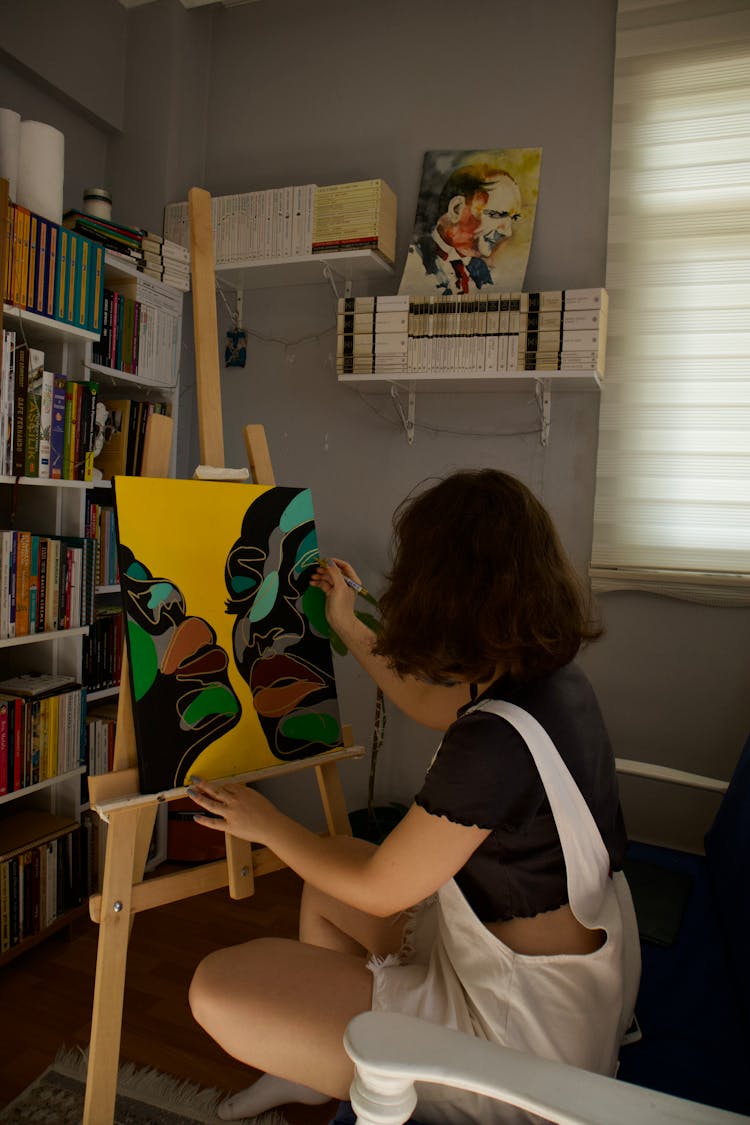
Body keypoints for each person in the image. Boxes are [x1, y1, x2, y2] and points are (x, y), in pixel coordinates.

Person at [187, 469, 641, 1125]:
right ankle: (311, 1073)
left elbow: (379, 888)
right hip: (557, 986)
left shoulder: (493, 743)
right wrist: (346, 624)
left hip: (522, 1043)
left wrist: (268, 823)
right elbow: (430, 702)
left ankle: (369, 1067)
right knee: (327, 878)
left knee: (216, 987)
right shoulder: (545, 677)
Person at [399, 162, 523, 297]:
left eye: (513, 218)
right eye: (496, 214)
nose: (507, 232)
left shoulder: (484, 274)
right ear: (456, 208)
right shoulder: (413, 261)